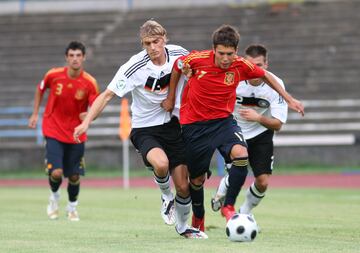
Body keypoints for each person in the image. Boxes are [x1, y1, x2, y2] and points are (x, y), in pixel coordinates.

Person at [73, 20, 207, 239]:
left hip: (174, 126)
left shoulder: (179, 54)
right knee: (161, 164)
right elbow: (106, 95)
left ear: (165, 38)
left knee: (184, 187)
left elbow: (200, 67)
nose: (153, 47)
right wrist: (87, 122)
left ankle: (183, 228)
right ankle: (165, 197)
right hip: (145, 129)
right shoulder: (134, 67)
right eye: (147, 43)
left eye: (156, 41)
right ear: (142, 44)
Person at [162, 25, 304, 231]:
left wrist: (289, 99)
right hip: (195, 125)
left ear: (236, 51)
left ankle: (229, 206)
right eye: (221, 53)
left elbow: (265, 75)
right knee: (197, 178)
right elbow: (177, 67)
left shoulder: (241, 65)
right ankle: (198, 219)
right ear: (214, 49)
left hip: (223, 122)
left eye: (230, 53)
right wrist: (170, 97)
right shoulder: (196, 59)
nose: (226, 58)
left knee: (241, 156)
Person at [211, 44, 288, 223]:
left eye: (259, 65)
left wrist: (257, 118)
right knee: (237, 174)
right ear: (244, 63)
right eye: (251, 64)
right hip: (234, 131)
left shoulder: (275, 85)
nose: (254, 69)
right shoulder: (232, 78)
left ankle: (244, 212)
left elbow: (277, 125)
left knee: (263, 182)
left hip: (261, 134)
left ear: (266, 64)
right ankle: (222, 192)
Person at [28, 41, 100, 221]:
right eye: (71, 55)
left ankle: (72, 208)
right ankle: (54, 199)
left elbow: (96, 107)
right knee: (57, 173)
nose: (75, 59)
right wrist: (35, 113)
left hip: (76, 134)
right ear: (66, 57)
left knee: (74, 175)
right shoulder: (53, 75)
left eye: (78, 55)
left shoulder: (90, 83)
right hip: (53, 129)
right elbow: (40, 89)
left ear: (83, 57)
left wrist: (90, 117)